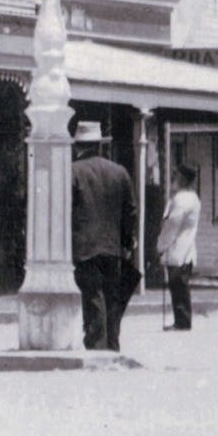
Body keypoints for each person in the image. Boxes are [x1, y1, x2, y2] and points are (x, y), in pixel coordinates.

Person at [71, 121, 138, 352]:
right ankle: (112, 345)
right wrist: (128, 241)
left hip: (84, 248)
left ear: (77, 145)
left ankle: (97, 346)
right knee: (112, 298)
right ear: (99, 145)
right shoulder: (119, 172)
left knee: (93, 297)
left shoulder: (72, 171)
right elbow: (131, 211)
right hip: (114, 247)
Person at [157, 163, 201, 332]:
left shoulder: (182, 199)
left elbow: (171, 226)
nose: (173, 179)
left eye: (176, 176)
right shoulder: (192, 197)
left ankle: (182, 321)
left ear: (182, 179)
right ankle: (181, 319)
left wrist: (161, 245)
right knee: (178, 284)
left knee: (179, 284)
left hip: (178, 249)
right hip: (185, 247)